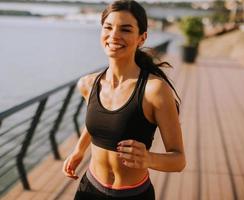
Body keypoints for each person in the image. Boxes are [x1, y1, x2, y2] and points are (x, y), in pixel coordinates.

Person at [62, 1, 186, 199]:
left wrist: (149, 158)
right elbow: (98, 121)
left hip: (135, 195)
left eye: (126, 29)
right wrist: (78, 151)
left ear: (142, 38)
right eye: (108, 27)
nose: (114, 36)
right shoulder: (88, 83)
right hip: (89, 190)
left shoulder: (154, 90)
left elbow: (178, 160)